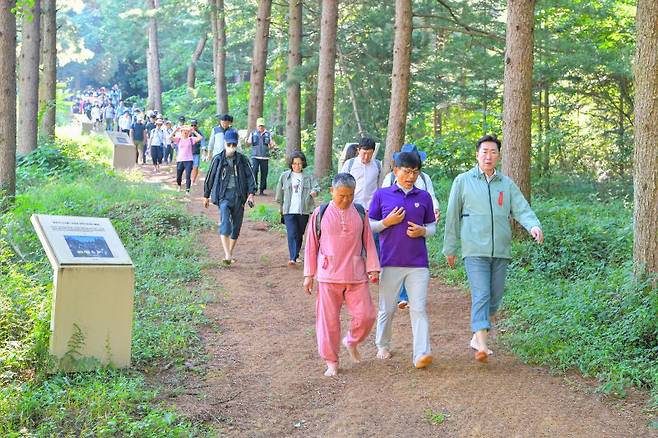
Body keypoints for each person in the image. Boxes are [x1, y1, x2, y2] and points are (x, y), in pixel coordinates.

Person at [443, 134, 544, 363]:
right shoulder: (463, 181)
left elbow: (521, 209)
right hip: (474, 249)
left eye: (493, 152)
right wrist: (450, 248)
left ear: (498, 156)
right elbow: (452, 217)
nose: (488, 156)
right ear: (477, 154)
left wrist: (534, 226)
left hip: (500, 250)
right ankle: (482, 343)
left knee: (495, 298)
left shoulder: (505, 184)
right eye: (484, 151)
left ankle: (477, 335)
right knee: (481, 293)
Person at [303, 173, 380, 377]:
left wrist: (373, 267)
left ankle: (351, 341)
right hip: (328, 276)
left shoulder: (360, 212)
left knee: (367, 315)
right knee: (328, 322)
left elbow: (369, 243)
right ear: (332, 192)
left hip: (356, 274)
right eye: (341, 196)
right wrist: (309, 274)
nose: (346, 200)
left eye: (350, 195)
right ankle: (331, 361)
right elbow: (311, 245)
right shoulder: (320, 213)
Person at [369, 151, 437, 369]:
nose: (411, 176)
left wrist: (422, 232)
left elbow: (432, 227)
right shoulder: (382, 195)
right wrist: (386, 222)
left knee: (418, 308)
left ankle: (421, 354)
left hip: (418, 264)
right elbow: (369, 225)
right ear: (396, 170)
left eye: (415, 172)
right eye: (406, 171)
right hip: (390, 261)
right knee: (387, 308)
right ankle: (383, 344)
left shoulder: (424, 197)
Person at [381, 143, 441, 310]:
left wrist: (435, 209)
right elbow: (383, 198)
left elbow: (431, 196)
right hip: (395, 224)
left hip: (417, 225)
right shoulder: (390, 178)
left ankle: (407, 296)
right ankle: (400, 294)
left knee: (413, 259)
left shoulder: (424, 178)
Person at [203, 130, 256, 265]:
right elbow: (210, 177)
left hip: (239, 196)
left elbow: (251, 177)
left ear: (236, 144)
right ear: (225, 143)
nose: (231, 146)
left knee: (236, 227)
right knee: (225, 223)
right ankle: (227, 254)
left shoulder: (242, 159)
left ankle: (229, 253)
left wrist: (251, 194)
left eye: (234, 144)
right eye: (229, 144)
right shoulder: (218, 159)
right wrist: (206, 195)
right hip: (223, 196)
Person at [275, 151, 321, 266]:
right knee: (292, 232)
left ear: (303, 164)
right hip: (288, 210)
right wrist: (280, 208)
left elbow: (317, 187)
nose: (297, 166)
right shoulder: (284, 176)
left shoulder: (308, 177)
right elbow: (279, 194)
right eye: (294, 163)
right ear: (291, 164)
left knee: (299, 233)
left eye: (299, 163)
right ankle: (292, 257)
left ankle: (296, 255)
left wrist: (315, 192)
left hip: (303, 210)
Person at [341, 137, 381, 211]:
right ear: (358, 150)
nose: (366, 157)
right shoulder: (350, 164)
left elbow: (380, 185)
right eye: (364, 153)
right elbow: (341, 184)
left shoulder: (377, 165)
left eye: (369, 154)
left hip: (371, 207)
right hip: (353, 206)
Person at [247, 117, 277, 195]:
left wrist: (272, 145)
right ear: (257, 126)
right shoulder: (253, 133)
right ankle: (253, 189)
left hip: (265, 156)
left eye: (262, 126)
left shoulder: (268, 134)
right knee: (254, 171)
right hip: (255, 156)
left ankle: (262, 190)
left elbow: (271, 145)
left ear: (264, 126)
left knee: (264, 173)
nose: (261, 127)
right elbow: (248, 143)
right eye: (259, 126)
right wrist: (247, 142)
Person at [171, 125, 201, 193]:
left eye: (187, 131)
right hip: (180, 160)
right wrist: (175, 130)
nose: (185, 132)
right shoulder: (178, 139)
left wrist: (193, 131)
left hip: (189, 160)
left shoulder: (191, 139)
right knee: (179, 176)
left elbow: (200, 137)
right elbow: (169, 137)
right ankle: (179, 186)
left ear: (189, 132)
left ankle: (187, 190)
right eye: (184, 131)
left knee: (188, 175)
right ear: (181, 132)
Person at [189, 119, 204, 185]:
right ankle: (189, 179)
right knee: (189, 167)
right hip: (188, 153)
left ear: (197, 125)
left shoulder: (199, 133)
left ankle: (193, 181)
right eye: (192, 125)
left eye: (194, 125)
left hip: (196, 153)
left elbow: (202, 141)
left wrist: (204, 150)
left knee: (196, 167)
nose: (193, 127)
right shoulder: (187, 133)